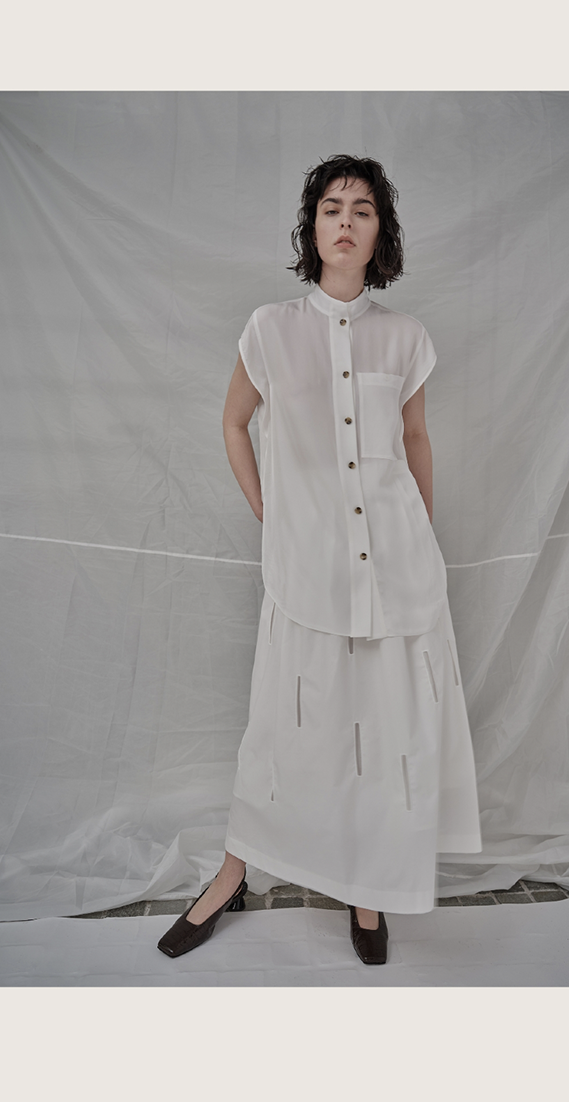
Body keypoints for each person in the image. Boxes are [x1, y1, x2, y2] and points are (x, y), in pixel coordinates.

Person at [157, 154, 481, 966]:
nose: (345, 220)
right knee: (281, 727)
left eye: (362, 209)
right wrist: (270, 511)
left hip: (395, 569)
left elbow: (415, 441)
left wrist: (419, 538)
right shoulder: (271, 329)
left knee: (379, 731)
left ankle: (367, 891)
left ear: (380, 234)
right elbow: (234, 422)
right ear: (312, 228)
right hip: (306, 571)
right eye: (332, 207)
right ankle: (233, 873)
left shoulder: (405, 337)